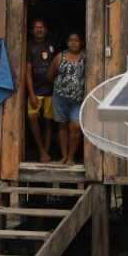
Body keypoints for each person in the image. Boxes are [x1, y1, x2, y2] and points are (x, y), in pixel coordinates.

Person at [47, 32, 85, 165]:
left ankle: (71, 157)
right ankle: (64, 156)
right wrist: (60, 87)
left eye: (76, 40)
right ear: (67, 42)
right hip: (60, 98)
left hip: (78, 99)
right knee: (62, 127)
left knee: (75, 127)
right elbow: (50, 75)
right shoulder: (60, 57)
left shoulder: (85, 57)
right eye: (71, 40)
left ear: (81, 43)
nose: (73, 43)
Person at [26, 18, 55, 162]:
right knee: (33, 118)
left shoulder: (51, 45)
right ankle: (41, 150)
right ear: (32, 30)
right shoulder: (29, 46)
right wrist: (31, 93)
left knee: (48, 121)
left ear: (46, 29)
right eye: (36, 27)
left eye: (41, 27)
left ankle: (47, 151)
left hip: (51, 90)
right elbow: (27, 71)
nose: (39, 29)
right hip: (36, 90)